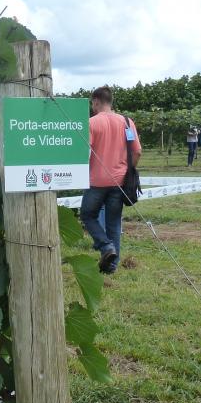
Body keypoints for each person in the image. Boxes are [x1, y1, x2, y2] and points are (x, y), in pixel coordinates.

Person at [79, 86, 142, 275]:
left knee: (87, 215)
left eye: (92, 103)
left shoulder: (91, 123)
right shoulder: (126, 122)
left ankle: (106, 247)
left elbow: (84, 151)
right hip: (119, 182)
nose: (92, 106)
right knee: (114, 223)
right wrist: (128, 170)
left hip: (96, 181)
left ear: (97, 101)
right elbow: (137, 151)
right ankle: (112, 267)